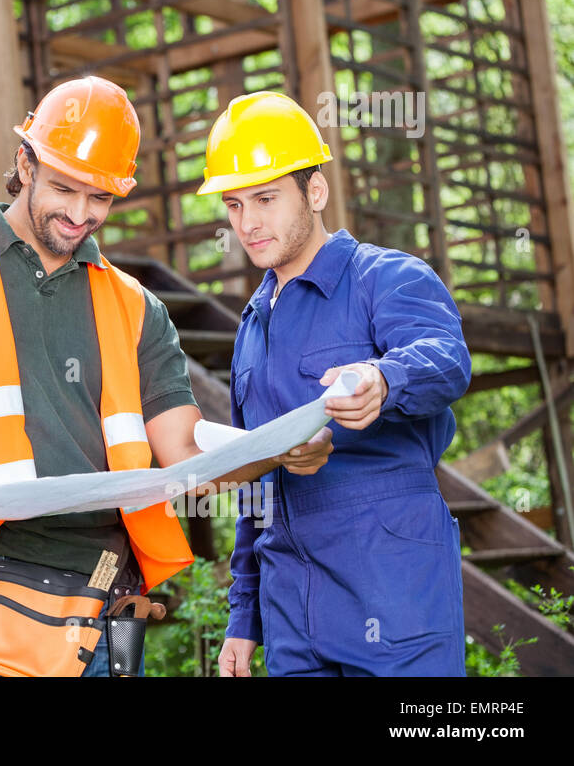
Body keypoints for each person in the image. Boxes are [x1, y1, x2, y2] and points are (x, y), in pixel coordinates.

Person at [0, 75, 333, 677]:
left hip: (108, 588)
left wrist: (277, 450)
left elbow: (188, 459)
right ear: (24, 164)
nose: (82, 214)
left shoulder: (139, 309)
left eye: (101, 198)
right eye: (65, 188)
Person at [201, 91, 472, 677]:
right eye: (234, 204)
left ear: (315, 192)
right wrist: (245, 618)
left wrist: (384, 377)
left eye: (266, 199)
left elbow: (449, 359)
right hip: (292, 617)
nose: (247, 223)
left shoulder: (385, 278)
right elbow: (255, 485)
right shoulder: (252, 328)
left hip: (393, 595)